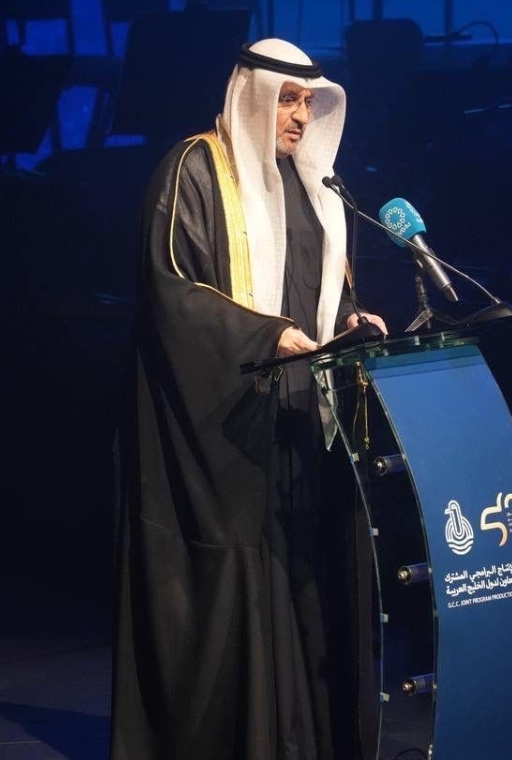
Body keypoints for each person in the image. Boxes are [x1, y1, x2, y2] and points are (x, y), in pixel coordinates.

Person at [110, 38, 387, 760]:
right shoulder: (196, 169)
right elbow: (172, 291)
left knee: (310, 573)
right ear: (254, 96)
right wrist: (266, 335)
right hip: (224, 415)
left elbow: (322, 287)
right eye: (287, 100)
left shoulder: (315, 186)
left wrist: (351, 321)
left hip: (303, 417)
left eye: (308, 103)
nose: (299, 117)